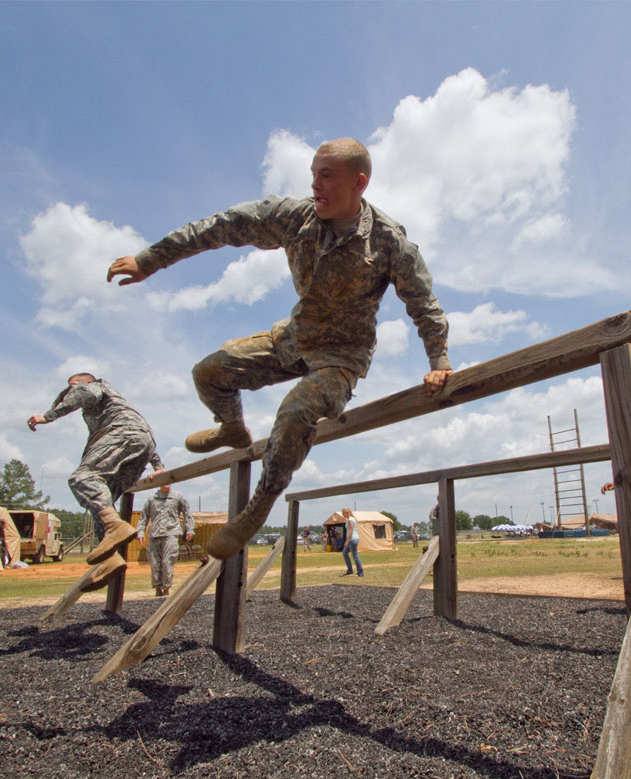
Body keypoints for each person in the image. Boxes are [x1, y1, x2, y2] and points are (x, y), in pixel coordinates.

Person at [106, 138, 452, 561]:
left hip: (340, 358)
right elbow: (221, 226)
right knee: (209, 372)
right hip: (292, 339)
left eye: (327, 176)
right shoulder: (294, 218)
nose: (316, 185)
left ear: (358, 182)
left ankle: (259, 506)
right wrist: (151, 259)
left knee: (295, 411)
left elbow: (423, 303)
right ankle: (232, 428)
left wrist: (439, 361)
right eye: (313, 175)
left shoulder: (388, 241)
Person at [27, 373, 164, 568]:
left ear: (87, 382)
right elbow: (140, 437)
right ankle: (110, 559)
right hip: (140, 442)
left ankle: (115, 528)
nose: (71, 391)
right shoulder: (113, 410)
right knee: (101, 501)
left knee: (81, 478)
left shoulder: (94, 387)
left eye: (73, 386)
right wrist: (158, 467)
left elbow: (85, 394)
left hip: (124, 434)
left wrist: (48, 416)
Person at [135, 480, 193, 597]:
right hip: (154, 535)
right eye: (163, 480)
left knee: (167, 562)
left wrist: (190, 529)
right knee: (155, 564)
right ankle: (157, 589)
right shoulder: (152, 499)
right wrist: (140, 532)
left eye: (168, 481)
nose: (166, 483)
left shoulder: (178, 497)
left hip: (171, 534)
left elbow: (187, 513)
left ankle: (166, 589)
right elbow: (144, 517)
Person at [340, 507, 363, 577]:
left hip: (352, 539)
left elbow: (351, 530)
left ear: (346, 513)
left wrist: (347, 540)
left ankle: (360, 572)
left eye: (343, 513)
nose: (342, 514)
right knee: (344, 553)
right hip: (351, 539)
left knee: (355, 556)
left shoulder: (350, 520)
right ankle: (350, 570)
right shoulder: (349, 519)